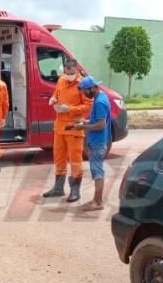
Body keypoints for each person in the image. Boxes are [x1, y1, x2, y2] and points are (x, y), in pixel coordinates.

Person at [41, 59, 92, 202]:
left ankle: (75, 191)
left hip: (74, 127)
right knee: (59, 158)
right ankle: (58, 188)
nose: (69, 75)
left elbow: (88, 105)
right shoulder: (61, 80)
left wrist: (70, 108)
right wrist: (53, 99)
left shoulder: (83, 84)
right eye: (67, 72)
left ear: (76, 70)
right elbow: (57, 93)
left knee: (75, 160)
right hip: (60, 127)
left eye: (71, 73)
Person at [69, 76, 111, 211]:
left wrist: (82, 127)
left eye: (85, 91)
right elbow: (96, 121)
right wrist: (83, 122)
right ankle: (96, 200)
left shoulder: (99, 102)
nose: (85, 94)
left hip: (98, 142)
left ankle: (98, 202)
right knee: (97, 172)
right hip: (96, 141)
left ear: (93, 87)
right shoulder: (99, 98)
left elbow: (101, 125)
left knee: (98, 173)